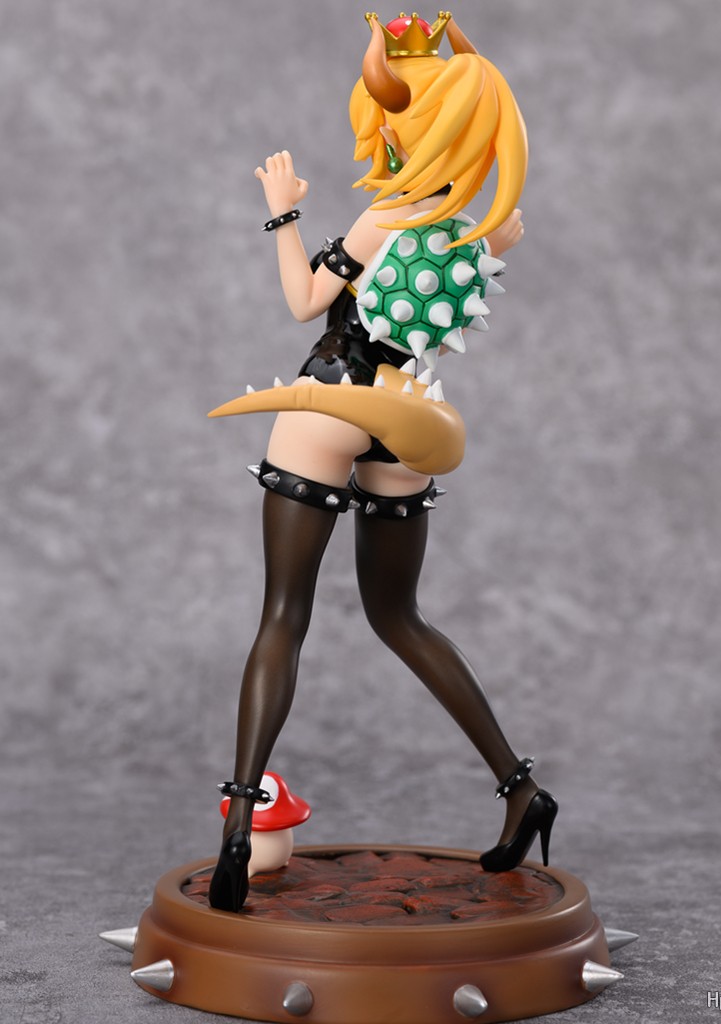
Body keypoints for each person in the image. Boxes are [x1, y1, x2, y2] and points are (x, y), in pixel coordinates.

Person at [208, 11, 557, 914]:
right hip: (410, 414)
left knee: (283, 615)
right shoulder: (477, 230)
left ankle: (240, 824)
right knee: (399, 615)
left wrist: (283, 212)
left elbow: (303, 301)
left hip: (335, 397)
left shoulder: (386, 214)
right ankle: (521, 787)